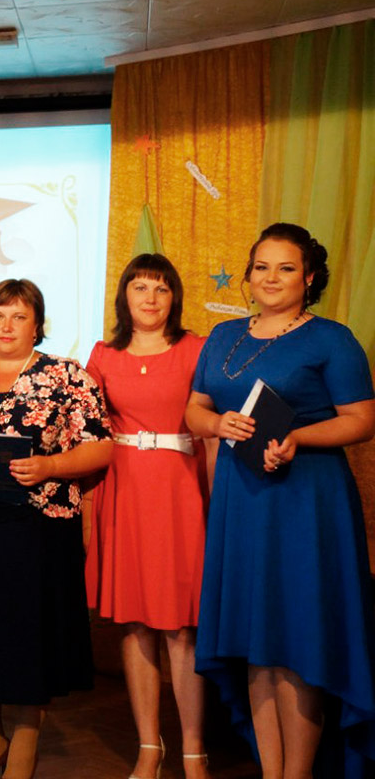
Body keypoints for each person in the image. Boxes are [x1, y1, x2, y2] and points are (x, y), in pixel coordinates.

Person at [185, 223, 375, 778]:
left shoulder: (332, 339)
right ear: (248, 274)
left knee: (297, 640)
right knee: (258, 642)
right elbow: (194, 410)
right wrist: (217, 423)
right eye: (262, 266)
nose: (271, 278)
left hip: (306, 504)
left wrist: (297, 438)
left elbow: (362, 420)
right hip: (242, 502)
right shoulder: (223, 335)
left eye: (286, 268)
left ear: (309, 277)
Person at [0, 278, 113, 779]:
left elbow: (101, 446)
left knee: (29, 637)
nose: (7, 325)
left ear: (37, 325)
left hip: (40, 527)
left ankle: (24, 742)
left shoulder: (67, 374)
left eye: (19, 316)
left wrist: (50, 466)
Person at [84, 254, 211, 779]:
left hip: (182, 494)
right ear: (125, 296)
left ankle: (194, 751)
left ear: (174, 297)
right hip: (123, 494)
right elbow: (86, 428)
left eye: (161, 288)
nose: (150, 298)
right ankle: (148, 747)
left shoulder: (197, 349)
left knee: (182, 627)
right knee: (135, 624)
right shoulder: (102, 354)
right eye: (140, 287)